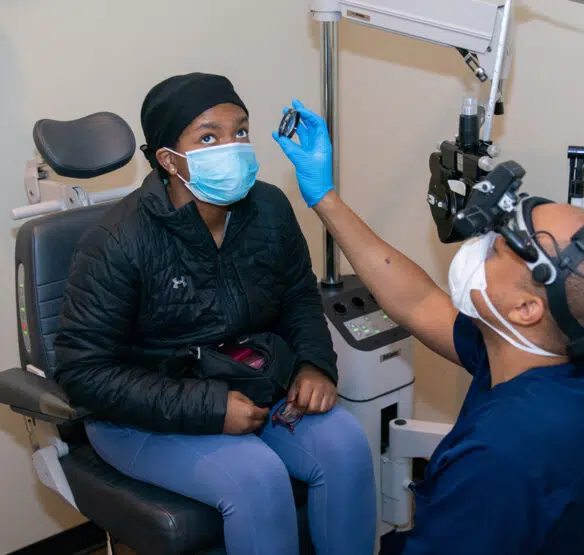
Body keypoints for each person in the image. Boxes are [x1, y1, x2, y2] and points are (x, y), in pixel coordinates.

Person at [274, 100, 584, 554]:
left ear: (527, 308)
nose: (481, 244)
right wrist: (324, 197)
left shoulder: (498, 456)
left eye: (500, 247)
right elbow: (420, 303)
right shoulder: (567, 365)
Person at [52, 74, 376, 555]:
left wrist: (314, 363)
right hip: (138, 416)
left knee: (347, 445)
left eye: (240, 131)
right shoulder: (118, 241)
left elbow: (297, 297)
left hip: (250, 382)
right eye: (209, 136)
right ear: (168, 159)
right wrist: (209, 407)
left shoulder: (267, 207)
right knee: (256, 477)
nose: (233, 146)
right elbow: (83, 372)